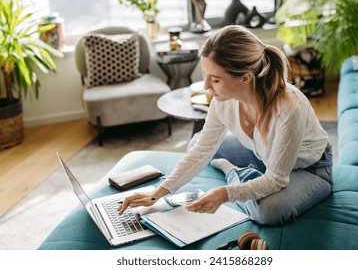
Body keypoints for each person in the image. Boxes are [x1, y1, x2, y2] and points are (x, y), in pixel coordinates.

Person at [118, 25, 333, 226]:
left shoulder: (289, 108)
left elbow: (276, 179)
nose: (206, 86)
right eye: (205, 76)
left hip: (310, 169)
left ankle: (234, 172)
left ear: (245, 78)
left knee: (268, 212)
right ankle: (248, 176)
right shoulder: (223, 103)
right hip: (263, 157)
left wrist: (225, 193)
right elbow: (202, 151)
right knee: (196, 143)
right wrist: (158, 192)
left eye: (215, 79)